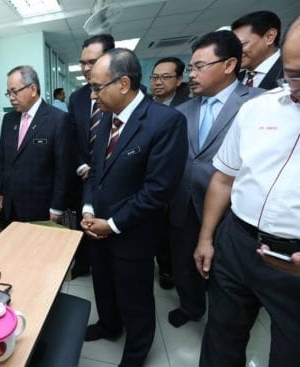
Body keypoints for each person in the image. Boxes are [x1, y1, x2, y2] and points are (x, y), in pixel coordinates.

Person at [194, 16, 300, 367]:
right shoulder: (257, 108)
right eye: (293, 74)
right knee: (221, 337)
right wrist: (207, 237)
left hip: (294, 262)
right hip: (237, 243)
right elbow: (224, 178)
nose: (296, 86)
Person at [81, 48, 187, 366]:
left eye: (98, 87)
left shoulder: (165, 122)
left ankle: (136, 352)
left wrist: (112, 224)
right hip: (96, 226)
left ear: (124, 83)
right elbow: (95, 171)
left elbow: (157, 191)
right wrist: (87, 209)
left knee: (136, 298)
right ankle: (109, 325)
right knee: (103, 285)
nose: (93, 94)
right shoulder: (105, 121)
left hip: (132, 232)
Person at [167, 30, 264, 328]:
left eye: (199, 66)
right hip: (184, 204)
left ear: (229, 64)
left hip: (233, 210)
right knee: (184, 264)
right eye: (191, 67)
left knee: (227, 274)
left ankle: (225, 320)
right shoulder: (182, 111)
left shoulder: (258, 104)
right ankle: (191, 307)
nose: (191, 74)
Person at [0, 65, 70, 223]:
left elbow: (63, 169)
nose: (11, 97)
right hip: (10, 203)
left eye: (15, 91)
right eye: (9, 93)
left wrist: (57, 206)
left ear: (33, 89)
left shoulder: (58, 119)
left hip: (41, 206)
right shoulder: (9, 120)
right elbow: (3, 160)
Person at [67, 34, 114, 279]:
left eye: (92, 62)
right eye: (83, 62)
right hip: (84, 177)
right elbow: (72, 137)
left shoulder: (125, 96)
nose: (86, 68)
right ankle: (83, 264)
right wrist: (82, 165)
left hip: (115, 179)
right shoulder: (77, 98)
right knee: (84, 224)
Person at [149, 56, 191, 290]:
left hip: (176, 185)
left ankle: (168, 269)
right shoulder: (144, 105)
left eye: (166, 77)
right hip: (147, 182)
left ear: (178, 80)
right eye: (155, 77)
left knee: (172, 235)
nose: (158, 82)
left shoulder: (187, 107)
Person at [232, 10, 283, 89]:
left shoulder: (292, 73)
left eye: (241, 44)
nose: (234, 52)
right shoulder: (234, 80)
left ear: (270, 36)